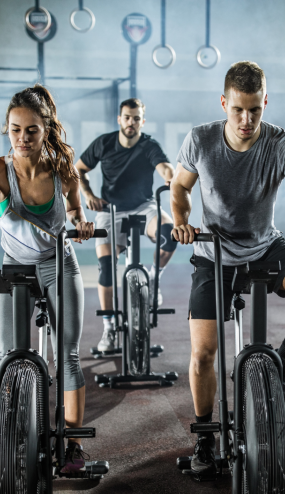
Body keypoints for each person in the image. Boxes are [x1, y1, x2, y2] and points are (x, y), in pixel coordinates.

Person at [171, 61, 285, 479]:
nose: (247, 121)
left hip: (265, 247)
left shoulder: (280, 141)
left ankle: (282, 360)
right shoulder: (201, 140)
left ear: (265, 102)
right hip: (212, 253)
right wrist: (180, 219)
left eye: (255, 110)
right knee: (202, 354)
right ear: (225, 103)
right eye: (238, 111)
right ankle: (205, 439)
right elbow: (179, 186)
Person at [0, 85, 96, 474]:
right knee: (9, 358)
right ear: (6, 130)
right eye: (15, 130)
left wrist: (81, 223)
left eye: (31, 131)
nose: (22, 138)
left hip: (60, 264)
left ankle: (72, 446)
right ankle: (8, 436)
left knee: (68, 357)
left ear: (46, 131)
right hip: (15, 269)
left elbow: (75, 209)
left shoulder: (62, 170)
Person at [75, 99, 176, 353]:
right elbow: (78, 170)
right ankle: (109, 327)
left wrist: (172, 178)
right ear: (119, 119)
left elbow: (164, 167)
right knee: (107, 268)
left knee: (170, 235)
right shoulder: (105, 143)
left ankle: (153, 280)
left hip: (144, 206)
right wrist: (87, 195)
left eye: (136, 118)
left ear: (143, 120)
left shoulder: (148, 145)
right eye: (127, 117)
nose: (132, 122)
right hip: (110, 209)